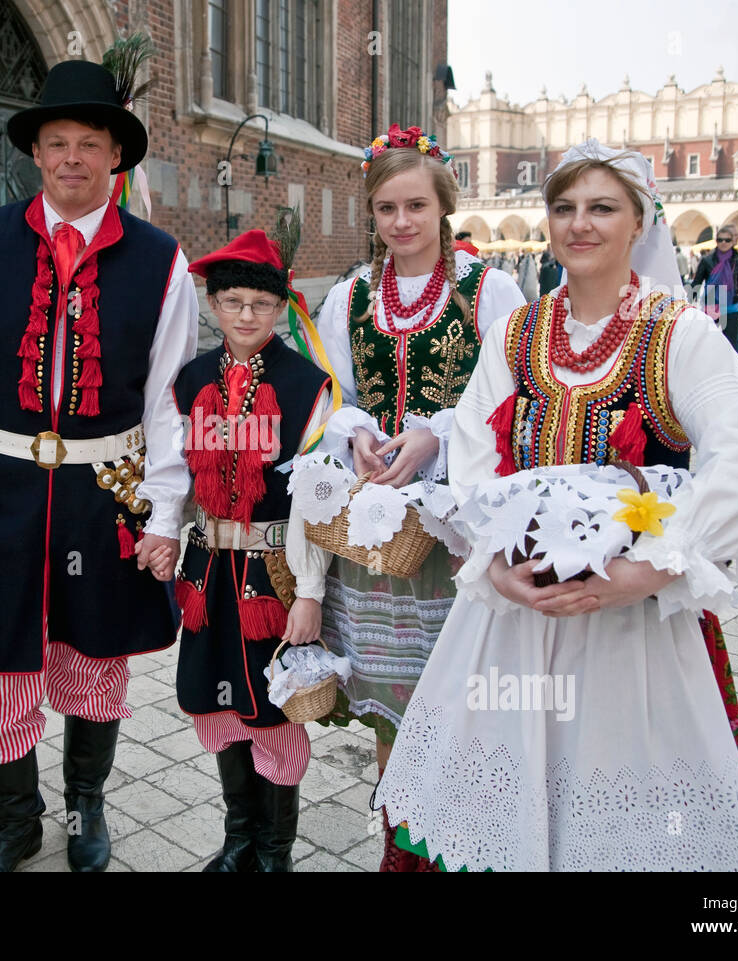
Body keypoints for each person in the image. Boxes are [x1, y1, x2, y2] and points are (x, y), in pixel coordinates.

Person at [373, 138, 738, 871]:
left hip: (634, 628)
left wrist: (651, 569)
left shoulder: (675, 333)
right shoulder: (517, 333)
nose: (579, 224)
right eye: (564, 208)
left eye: (602, 208)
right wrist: (495, 564)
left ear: (639, 223)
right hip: (515, 616)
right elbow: (470, 455)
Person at [0, 54, 199, 873]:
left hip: (102, 494)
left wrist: (167, 509)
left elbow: (169, 396)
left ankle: (85, 809)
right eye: (57, 142)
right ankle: (15, 823)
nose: (72, 156)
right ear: (35, 154)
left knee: (93, 655)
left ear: (116, 156)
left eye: (89, 142)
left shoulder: (162, 259)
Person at [315, 123, 526, 870]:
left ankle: (461, 839)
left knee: (458, 690)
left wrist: (436, 434)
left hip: (455, 523)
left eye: (415, 206)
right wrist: (358, 434)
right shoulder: (352, 295)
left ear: (443, 208)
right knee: (392, 694)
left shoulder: (488, 289)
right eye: (385, 209)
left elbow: (507, 391)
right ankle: (400, 842)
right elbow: (333, 388)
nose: (400, 223)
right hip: (379, 528)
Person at [172, 218, 333, 872]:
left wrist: (312, 592)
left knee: (273, 710)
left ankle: (274, 852)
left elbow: (316, 497)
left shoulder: (306, 386)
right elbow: (170, 472)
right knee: (217, 699)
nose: (245, 313)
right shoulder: (189, 381)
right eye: (233, 301)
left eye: (261, 303)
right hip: (209, 570)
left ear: (281, 306)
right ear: (213, 304)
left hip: (274, 574)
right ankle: (239, 838)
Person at [692, 225, 738, 368]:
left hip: (731, 306)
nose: (723, 243)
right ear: (716, 241)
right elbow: (697, 283)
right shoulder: (707, 260)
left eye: (727, 240)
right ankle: (709, 367)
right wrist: (688, 303)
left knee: (731, 342)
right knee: (709, 339)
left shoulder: (737, 262)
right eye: (720, 240)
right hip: (712, 304)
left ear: (732, 242)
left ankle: (728, 369)